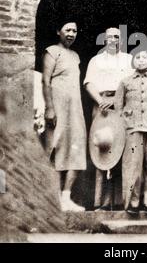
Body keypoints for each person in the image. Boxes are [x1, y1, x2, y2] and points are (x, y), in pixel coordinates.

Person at [84, 27, 133, 210]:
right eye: (110, 37)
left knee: (122, 148)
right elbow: (89, 84)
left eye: (117, 37)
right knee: (103, 148)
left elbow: (132, 83)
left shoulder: (128, 60)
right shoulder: (96, 60)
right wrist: (102, 100)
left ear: (121, 40)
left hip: (122, 104)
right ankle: (102, 202)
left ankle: (121, 201)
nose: (113, 40)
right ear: (104, 39)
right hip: (101, 105)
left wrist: (116, 100)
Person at [115, 50, 147, 213]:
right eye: (137, 57)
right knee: (133, 165)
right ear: (133, 62)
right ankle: (133, 202)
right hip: (132, 126)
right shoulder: (125, 82)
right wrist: (124, 120)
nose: (141, 60)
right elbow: (118, 106)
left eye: (144, 57)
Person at [42, 20, 87, 212]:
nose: (71, 33)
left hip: (74, 108)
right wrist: (50, 107)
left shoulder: (76, 56)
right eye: (67, 30)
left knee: (76, 147)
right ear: (58, 31)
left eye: (75, 31)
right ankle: (51, 198)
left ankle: (66, 197)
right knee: (54, 147)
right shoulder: (52, 51)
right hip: (58, 107)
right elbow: (45, 80)